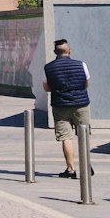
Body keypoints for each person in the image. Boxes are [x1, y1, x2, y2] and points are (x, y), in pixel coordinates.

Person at [43, 39, 92, 180]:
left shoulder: (48, 67)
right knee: (83, 135)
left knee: (66, 137)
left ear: (55, 52)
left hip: (60, 105)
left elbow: (46, 87)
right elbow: (86, 83)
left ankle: (71, 169)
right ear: (69, 51)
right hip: (81, 104)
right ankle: (86, 165)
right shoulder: (81, 64)